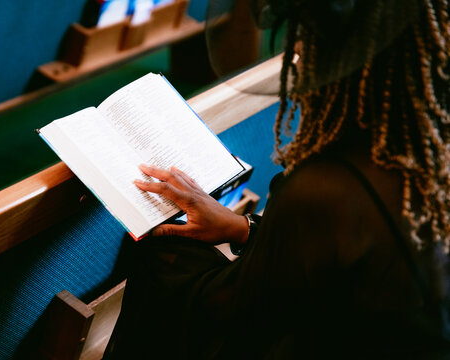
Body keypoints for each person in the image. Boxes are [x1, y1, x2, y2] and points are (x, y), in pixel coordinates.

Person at [103, 0, 450, 358]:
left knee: (161, 254)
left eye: (307, 37)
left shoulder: (325, 189)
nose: (295, 48)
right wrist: (244, 227)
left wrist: (159, 251)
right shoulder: (425, 148)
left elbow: (232, 316)